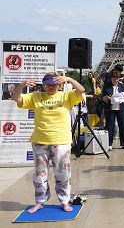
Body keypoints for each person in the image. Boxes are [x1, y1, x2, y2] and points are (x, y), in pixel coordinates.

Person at [10, 73, 84, 213]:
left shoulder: (66, 96)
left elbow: (81, 91)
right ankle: (40, 202)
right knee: (40, 174)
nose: (51, 87)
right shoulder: (36, 96)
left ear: (60, 85)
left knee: (62, 173)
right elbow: (16, 98)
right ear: (44, 85)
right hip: (40, 141)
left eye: (55, 84)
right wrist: (21, 85)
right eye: (49, 84)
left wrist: (69, 79)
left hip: (61, 141)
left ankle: (64, 201)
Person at [101, 70, 124, 150]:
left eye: (117, 79)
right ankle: (109, 143)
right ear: (111, 79)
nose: (115, 80)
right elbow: (102, 97)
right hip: (110, 108)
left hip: (120, 108)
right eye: (114, 79)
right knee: (110, 126)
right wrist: (105, 98)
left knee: (123, 125)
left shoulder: (123, 86)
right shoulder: (107, 86)